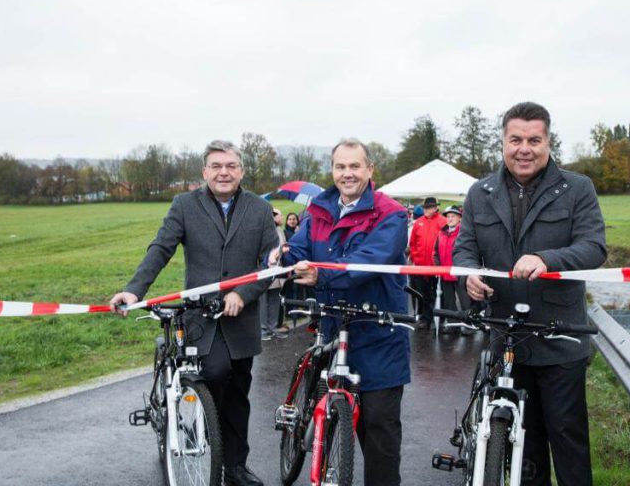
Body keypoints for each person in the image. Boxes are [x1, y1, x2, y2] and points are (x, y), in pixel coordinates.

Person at [453, 101, 606, 486]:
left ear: (548, 142)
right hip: (507, 337)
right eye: (516, 139)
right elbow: (464, 250)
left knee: (568, 442)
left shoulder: (577, 188)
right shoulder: (479, 192)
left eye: (534, 140)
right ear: (503, 142)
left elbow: (594, 247)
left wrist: (547, 259)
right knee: (524, 448)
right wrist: (468, 277)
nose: (524, 148)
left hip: (561, 338)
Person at [110, 140, 278, 486]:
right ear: (205, 172)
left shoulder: (259, 209)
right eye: (216, 166)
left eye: (231, 165)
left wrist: (243, 294)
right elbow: (161, 248)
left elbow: (269, 265)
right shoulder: (184, 205)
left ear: (241, 171)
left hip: (242, 319)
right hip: (201, 318)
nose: (223, 172)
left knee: (239, 394)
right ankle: (200, 427)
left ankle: (235, 466)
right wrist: (134, 289)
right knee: (214, 374)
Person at [273, 137, 410, 486]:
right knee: (329, 409)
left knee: (379, 430)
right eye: (340, 166)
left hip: (380, 332)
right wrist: (281, 258)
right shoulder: (319, 210)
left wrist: (323, 273)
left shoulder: (390, 213)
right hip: (334, 326)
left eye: (354, 166)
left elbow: (370, 261)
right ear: (332, 170)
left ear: (369, 169)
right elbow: (299, 248)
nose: (347, 173)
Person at [408, 196, 446, 329]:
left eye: (429, 207)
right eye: (425, 207)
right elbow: (412, 243)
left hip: (436, 267)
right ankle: (425, 318)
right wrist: (414, 258)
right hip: (419, 266)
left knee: (436, 293)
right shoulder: (418, 223)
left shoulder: (443, 221)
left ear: (435, 208)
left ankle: (440, 319)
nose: (426, 210)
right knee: (421, 293)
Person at [432, 205, 471, 334]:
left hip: (460, 274)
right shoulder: (441, 233)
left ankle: (468, 325)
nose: (450, 219)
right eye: (448, 216)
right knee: (449, 302)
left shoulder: (464, 233)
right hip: (445, 274)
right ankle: (453, 324)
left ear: (460, 218)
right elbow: (435, 253)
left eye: (453, 216)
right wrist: (438, 268)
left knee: (465, 301)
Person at [261, 208, 288, 340]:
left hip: (279, 270)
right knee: (263, 301)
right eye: (280, 215)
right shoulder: (263, 231)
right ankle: (263, 329)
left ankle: (272, 327)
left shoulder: (280, 231)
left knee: (274, 299)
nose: (282, 218)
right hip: (265, 270)